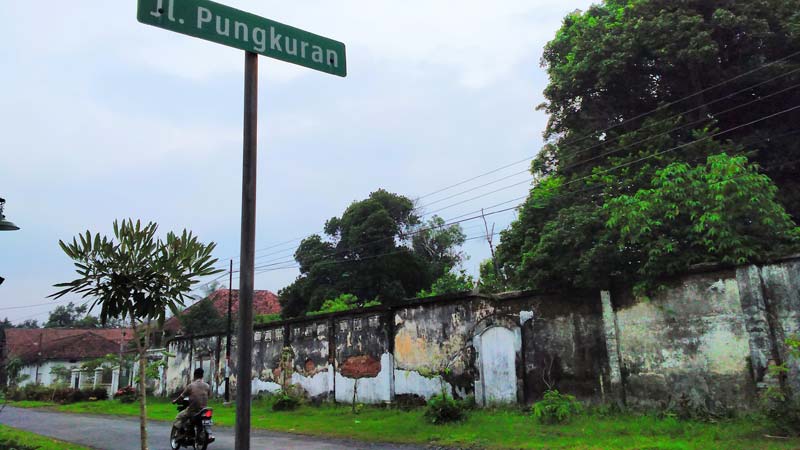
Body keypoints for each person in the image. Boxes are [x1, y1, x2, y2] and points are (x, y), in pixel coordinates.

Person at [172, 368, 212, 438]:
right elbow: (209, 395)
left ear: (194, 376)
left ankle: (178, 434)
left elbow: (181, 396)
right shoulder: (207, 386)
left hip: (193, 410)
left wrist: (175, 401)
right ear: (202, 376)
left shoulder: (191, 386)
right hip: (204, 411)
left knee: (179, 417)